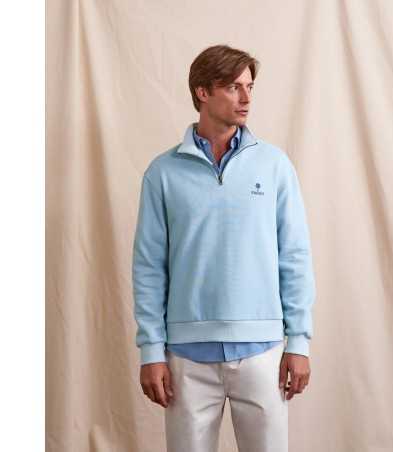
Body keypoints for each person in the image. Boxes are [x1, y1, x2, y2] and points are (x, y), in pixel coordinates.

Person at [132, 44, 316, 452]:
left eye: (250, 87)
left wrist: (299, 342)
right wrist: (151, 351)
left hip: (264, 353)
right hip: (186, 357)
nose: (246, 98)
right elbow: (149, 267)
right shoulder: (162, 173)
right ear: (202, 92)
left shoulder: (274, 166)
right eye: (234, 87)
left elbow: (295, 257)